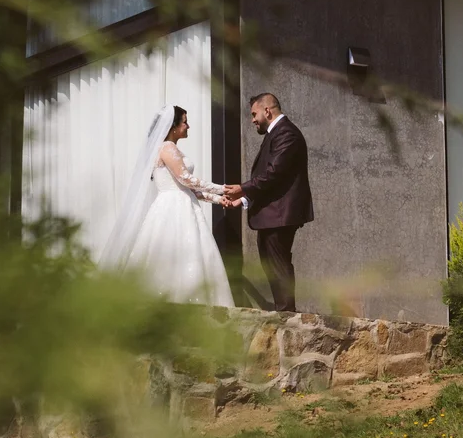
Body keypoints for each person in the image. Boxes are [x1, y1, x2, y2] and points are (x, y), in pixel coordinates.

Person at [99, 105, 235, 308]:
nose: (188, 126)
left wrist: (217, 199)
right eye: (185, 121)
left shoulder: (170, 149)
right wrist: (222, 188)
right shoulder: (167, 148)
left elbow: (187, 188)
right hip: (174, 208)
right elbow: (186, 179)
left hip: (182, 202)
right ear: (173, 127)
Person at [224, 93, 313, 313]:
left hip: (281, 214)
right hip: (273, 213)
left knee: (278, 262)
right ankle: (284, 309)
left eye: (254, 114)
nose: (252, 120)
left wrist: (243, 188)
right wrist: (244, 199)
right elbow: (271, 179)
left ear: (267, 111)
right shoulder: (276, 134)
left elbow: (274, 174)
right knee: (271, 262)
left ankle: (286, 313)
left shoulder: (287, 134)